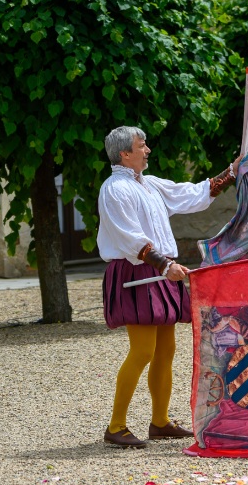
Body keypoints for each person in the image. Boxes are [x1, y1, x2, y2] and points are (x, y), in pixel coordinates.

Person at [97, 126, 238, 448]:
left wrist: (232, 171)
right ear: (125, 154)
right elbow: (129, 236)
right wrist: (164, 265)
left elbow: (192, 194)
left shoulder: (149, 184)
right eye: (141, 145)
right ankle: (116, 426)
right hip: (136, 271)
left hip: (158, 271)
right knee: (142, 351)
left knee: (165, 350)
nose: (147, 150)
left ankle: (159, 422)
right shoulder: (114, 189)